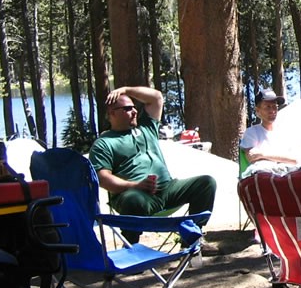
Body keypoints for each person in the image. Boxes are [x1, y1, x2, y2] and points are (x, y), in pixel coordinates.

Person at [89, 86, 216, 247]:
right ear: (112, 114)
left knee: (206, 183)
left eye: (134, 107)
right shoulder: (104, 143)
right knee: (132, 199)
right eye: (127, 109)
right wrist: (136, 186)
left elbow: (156, 98)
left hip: (168, 189)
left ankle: (192, 238)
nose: (134, 111)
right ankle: (130, 246)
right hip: (137, 196)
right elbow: (102, 178)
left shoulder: (146, 127)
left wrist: (126, 90)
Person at [240, 89, 301, 177]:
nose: (272, 110)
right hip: (266, 180)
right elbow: (251, 157)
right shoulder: (252, 132)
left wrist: (262, 154)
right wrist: (284, 157)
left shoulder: (287, 132)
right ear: (258, 111)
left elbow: (297, 159)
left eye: (275, 106)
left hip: (290, 177)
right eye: (267, 107)